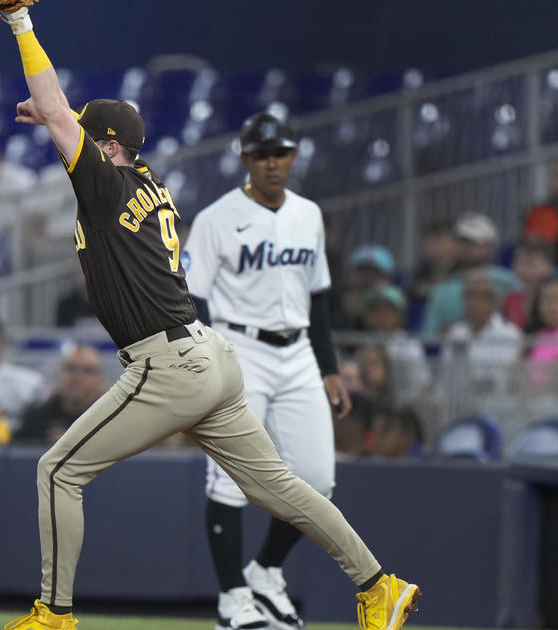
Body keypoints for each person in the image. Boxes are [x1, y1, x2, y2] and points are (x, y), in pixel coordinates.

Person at [0, 6, 420, 630]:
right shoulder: (141, 178)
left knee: (57, 470)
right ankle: (380, 585)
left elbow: (62, 116)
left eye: (81, 135)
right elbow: (70, 119)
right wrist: (57, 116)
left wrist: (22, 24)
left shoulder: (104, 185)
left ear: (107, 149)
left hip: (167, 363)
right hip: (213, 357)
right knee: (282, 488)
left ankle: (54, 614)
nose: (68, 139)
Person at [184, 111, 355, 630]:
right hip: (240, 350)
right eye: (262, 154)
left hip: (299, 350)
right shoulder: (217, 217)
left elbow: (318, 296)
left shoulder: (309, 213)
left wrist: (329, 368)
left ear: (293, 155)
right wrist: (210, 362)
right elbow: (192, 298)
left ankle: (264, 572)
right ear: (245, 159)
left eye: (280, 153)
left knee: (317, 480)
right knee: (230, 482)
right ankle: (232, 600)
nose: (272, 163)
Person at [420, 212, 518, 339]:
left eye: (475, 242)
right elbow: (430, 337)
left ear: (490, 247)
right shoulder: (442, 291)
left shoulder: (510, 282)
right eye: (462, 241)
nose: (467, 247)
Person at [441, 269, 524, 389]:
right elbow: (446, 378)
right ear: (463, 300)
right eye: (470, 295)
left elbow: (502, 381)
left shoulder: (510, 334)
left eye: (483, 297)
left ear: (494, 302)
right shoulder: (455, 333)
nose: (474, 302)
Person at [15, 344, 105, 445]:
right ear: (59, 373)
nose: (77, 378)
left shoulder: (111, 416)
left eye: (88, 371)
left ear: (100, 378)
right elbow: (17, 452)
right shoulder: (38, 416)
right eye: (71, 368)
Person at [501, 239, 556, 329]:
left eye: (531, 264)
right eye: (520, 263)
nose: (525, 271)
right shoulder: (509, 301)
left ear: (550, 267)